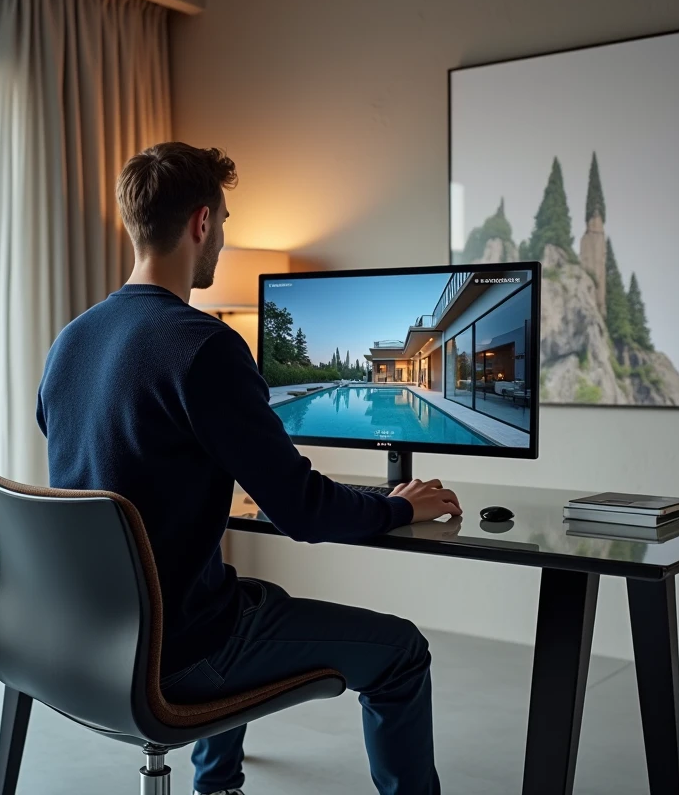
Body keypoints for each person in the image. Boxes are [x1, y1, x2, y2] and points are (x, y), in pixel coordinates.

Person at [36, 142, 461, 795]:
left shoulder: (71, 340)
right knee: (401, 652)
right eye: (226, 223)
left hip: (77, 644)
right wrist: (403, 505)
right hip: (179, 656)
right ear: (203, 223)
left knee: (238, 595)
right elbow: (302, 510)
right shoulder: (204, 347)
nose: (223, 240)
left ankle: (220, 785)